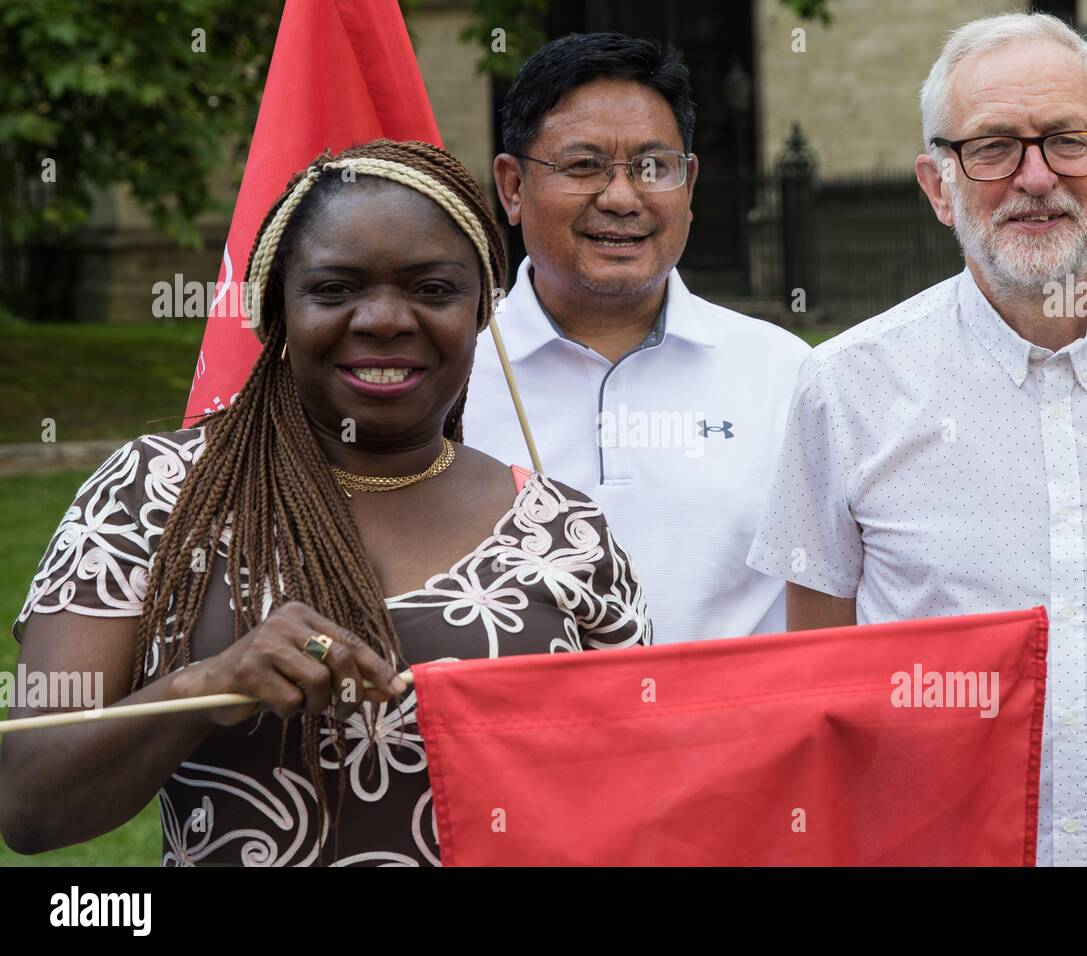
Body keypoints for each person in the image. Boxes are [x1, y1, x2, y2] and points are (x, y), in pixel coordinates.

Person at [0, 139, 651, 866]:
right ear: (278, 310)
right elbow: (29, 801)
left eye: (433, 289)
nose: (382, 320)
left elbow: (639, 801)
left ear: (480, 312)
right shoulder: (151, 493)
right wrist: (208, 682)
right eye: (335, 289)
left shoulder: (565, 531)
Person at [747, 12, 1087, 866]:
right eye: (994, 147)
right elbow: (820, 681)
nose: (1036, 177)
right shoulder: (846, 386)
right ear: (938, 185)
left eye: (1066, 142)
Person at [463, 33, 810, 645]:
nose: (622, 198)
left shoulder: (787, 375)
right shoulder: (452, 375)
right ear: (512, 186)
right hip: (514, 738)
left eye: (654, 168)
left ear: (690, 184)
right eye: (583, 166)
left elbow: (833, 605)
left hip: (732, 738)